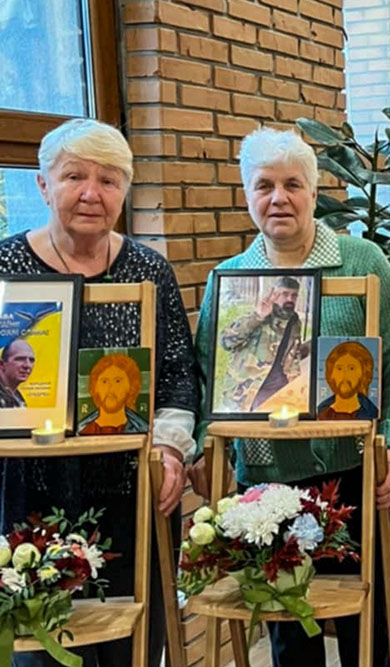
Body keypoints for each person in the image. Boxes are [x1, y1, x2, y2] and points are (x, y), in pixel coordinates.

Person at [189, 127, 390, 667]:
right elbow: (204, 375)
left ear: (315, 193)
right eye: (263, 185)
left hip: (359, 471)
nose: (278, 198)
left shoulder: (364, 262)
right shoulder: (230, 281)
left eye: (293, 184)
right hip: (267, 480)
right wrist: (202, 446)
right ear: (247, 195)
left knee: (372, 624)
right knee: (288, 625)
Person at [0, 118, 200, 666]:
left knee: (131, 643)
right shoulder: (4, 269)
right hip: (28, 493)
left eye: (109, 180)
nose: (92, 193)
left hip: (131, 493)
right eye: (74, 177)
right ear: (43, 185)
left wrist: (170, 447)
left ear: (125, 191)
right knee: (41, 644)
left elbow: (180, 372)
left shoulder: (149, 270)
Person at [216, 275, 304, 412]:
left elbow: (293, 355)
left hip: (280, 386)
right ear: (274, 295)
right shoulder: (257, 317)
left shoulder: (295, 322)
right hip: (251, 387)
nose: (289, 300)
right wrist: (258, 317)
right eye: (285, 294)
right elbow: (226, 342)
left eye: (294, 296)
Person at [78, 353, 150, 434]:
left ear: (131, 387)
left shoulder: (141, 429)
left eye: (117, 381)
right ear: (95, 388)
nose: (110, 388)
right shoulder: (82, 429)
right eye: (104, 381)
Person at [316, 340, 378, 420]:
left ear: (364, 374)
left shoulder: (371, 411)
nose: (344, 376)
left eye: (351, 369)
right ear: (331, 374)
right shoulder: (321, 410)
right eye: (339, 368)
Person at [0, 339, 35, 408]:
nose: (27, 365)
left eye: (31, 360)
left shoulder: (17, 397)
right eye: (20, 359)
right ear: (2, 364)